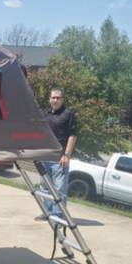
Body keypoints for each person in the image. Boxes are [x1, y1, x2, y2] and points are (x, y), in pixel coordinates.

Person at [35, 88, 77, 220]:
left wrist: (67, 155)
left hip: (59, 159)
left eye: (58, 98)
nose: (55, 100)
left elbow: (72, 136)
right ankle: (47, 212)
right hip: (45, 156)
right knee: (44, 187)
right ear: (49, 99)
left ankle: (58, 216)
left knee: (59, 190)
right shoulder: (45, 114)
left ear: (62, 99)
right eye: (53, 97)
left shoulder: (68, 114)